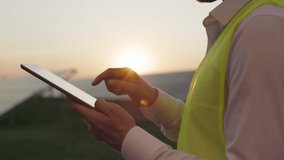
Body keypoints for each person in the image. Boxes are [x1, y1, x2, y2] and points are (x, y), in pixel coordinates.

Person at [71, 0, 284, 159]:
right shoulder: (246, 22)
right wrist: (151, 98)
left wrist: (129, 139)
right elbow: (208, 130)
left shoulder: (262, 27)